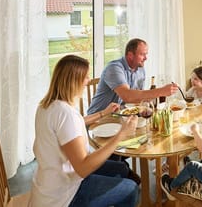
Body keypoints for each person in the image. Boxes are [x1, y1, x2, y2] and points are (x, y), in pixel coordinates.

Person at [30, 55, 139, 207]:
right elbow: (83, 168)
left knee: (121, 168)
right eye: (85, 77)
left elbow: (73, 125)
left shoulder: (47, 106)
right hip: (64, 195)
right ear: (73, 81)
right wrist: (121, 135)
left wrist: (103, 113)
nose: (88, 81)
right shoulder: (65, 114)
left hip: (49, 181)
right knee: (131, 189)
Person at [88, 38, 178, 115]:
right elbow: (127, 96)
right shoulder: (114, 68)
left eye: (146, 54)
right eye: (142, 54)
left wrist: (160, 95)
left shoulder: (140, 69)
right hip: (99, 118)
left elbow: (137, 99)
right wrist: (161, 91)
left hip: (120, 116)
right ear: (130, 55)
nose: (146, 58)